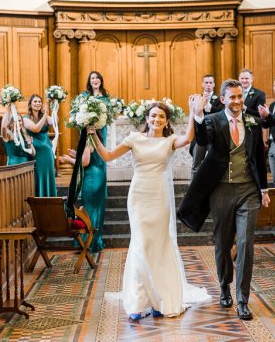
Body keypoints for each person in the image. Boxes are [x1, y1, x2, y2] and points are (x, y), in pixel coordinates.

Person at [89, 96, 211, 320]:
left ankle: (159, 299)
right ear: (147, 118)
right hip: (139, 195)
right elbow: (107, 156)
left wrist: (193, 112)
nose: (157, 119)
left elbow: (188, 137)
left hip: (159, 196)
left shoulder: (170, 140)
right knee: (140, 245)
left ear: (166, 121)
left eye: (162, 116)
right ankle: (137, 302)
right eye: (153, 115)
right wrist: (93, 135)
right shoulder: (134, 138)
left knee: (159, 246)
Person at [178, 79, 270, 321]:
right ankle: (224, 287)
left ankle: (242, 299)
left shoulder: (251, 121)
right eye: (232, 97)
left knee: (247, 244)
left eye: (240, 97)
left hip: (248, 189)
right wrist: (197, 116)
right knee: (222, 243)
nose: (238, 101)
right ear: (223, 99)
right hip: (220, 190)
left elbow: (259, 156)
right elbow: (202, 141)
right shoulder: (213, 120)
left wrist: (264, 189)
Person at [75, 70, 110, 252]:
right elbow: (78, 116)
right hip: (88, 131)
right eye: (92, 78)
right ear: (89, 82)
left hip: (100, 133)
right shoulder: (84, 97)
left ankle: (96, 237)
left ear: (101, 81)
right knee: (89, 160)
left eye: (97, 78)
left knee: (100, 158)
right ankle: (88, 238)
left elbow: (108, 118)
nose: (95, 80)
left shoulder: (106, 97)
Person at [23, 94, 57, 197]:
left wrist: (56, 105)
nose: (38, 104)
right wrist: (45, 115)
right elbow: (36, 129)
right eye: (35, 102)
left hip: (47, 151)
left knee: (48, 174)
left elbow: (55, 121)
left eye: (39, 102)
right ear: (30, 104)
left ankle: (50, 199)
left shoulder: (44, 116)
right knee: (38, 175)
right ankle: (39, 199)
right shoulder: (25, 118)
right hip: (36, 152)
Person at [190, 74, 224, 177]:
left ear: (214, 84)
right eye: (206, 82)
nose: (208, 85)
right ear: (202, 84)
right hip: (199, 135)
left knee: (213, 163)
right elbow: (193, 114)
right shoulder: (197, 98)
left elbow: (220, 114)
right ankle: (193, 190)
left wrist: (209, 106)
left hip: (214, 134)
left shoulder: (219, 99)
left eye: (210, 82)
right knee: (196, 164)